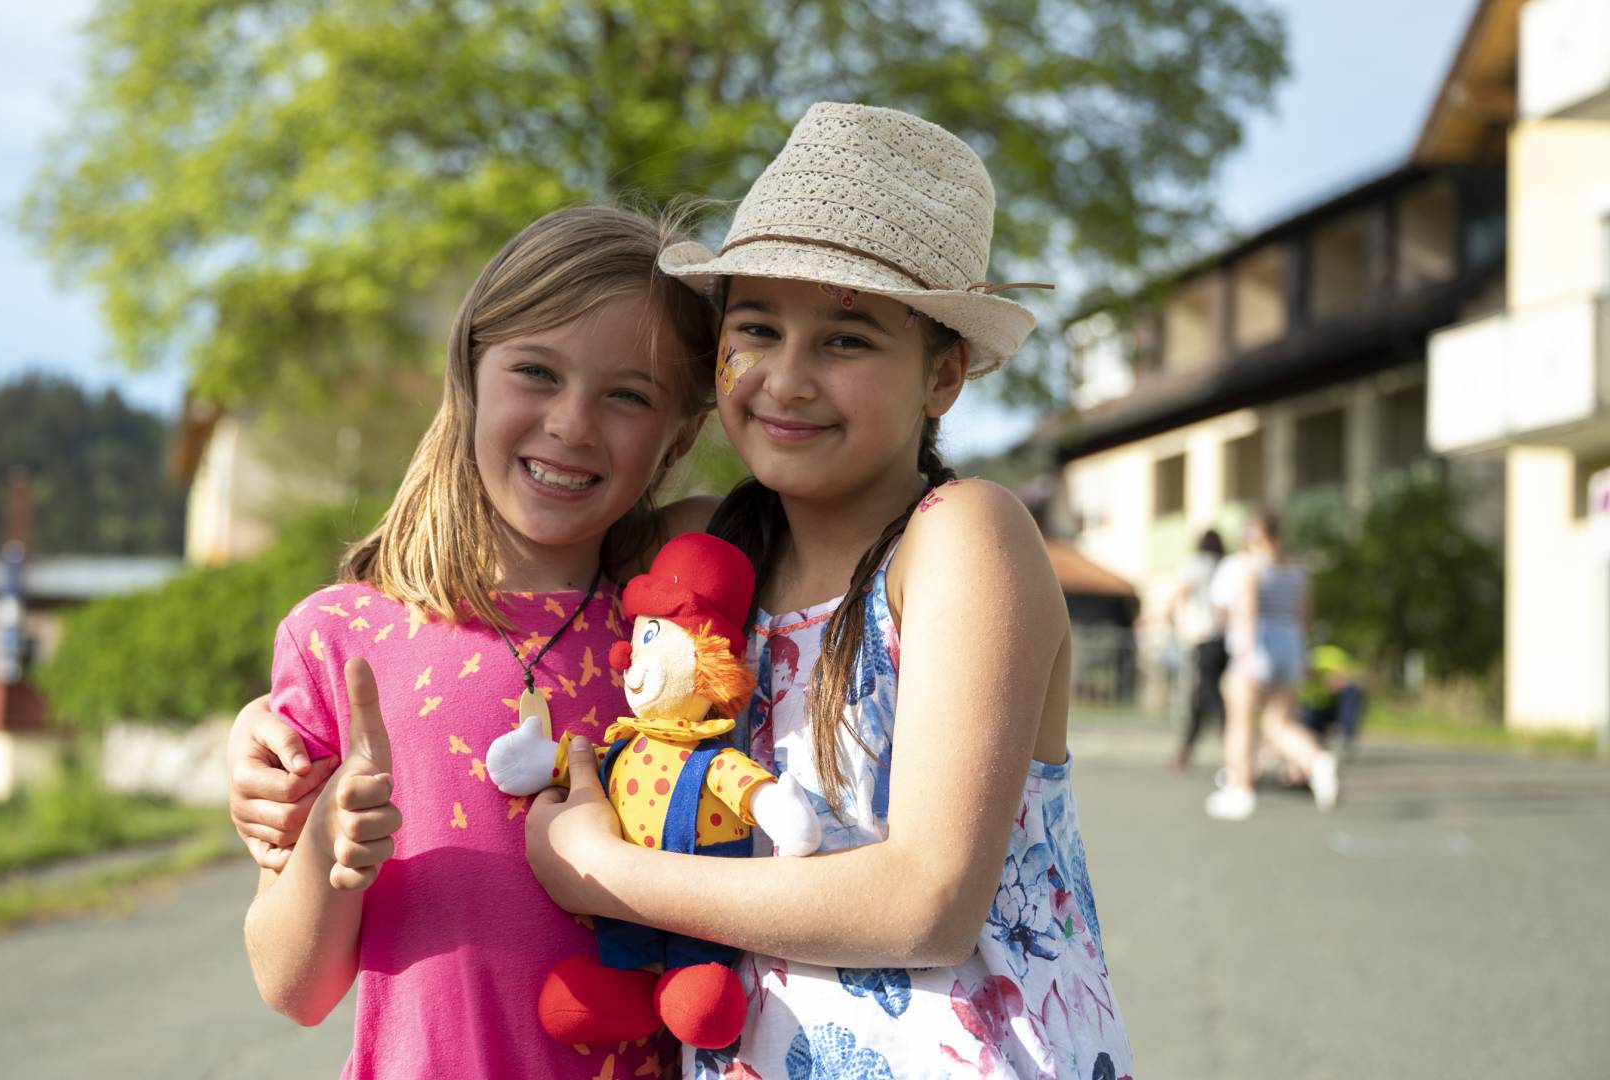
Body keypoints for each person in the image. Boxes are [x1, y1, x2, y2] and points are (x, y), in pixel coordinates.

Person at [237, 104, 1134, 1077]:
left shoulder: (962, 536)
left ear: (945, 373)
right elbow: (495, 604)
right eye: (757, 328)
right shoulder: (701, 559)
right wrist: (273, 738)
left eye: (848, 340)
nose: (788, 379)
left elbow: (928, 901)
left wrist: (605, 871)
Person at [239, 205, 721, 1080]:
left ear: (680, 436)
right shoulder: (339, 639)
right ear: (467, 375)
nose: (573, 424)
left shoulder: (682, 643)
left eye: (628, 395)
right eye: (537, 371)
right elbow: (293, 988)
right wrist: (328, 848)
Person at [1205, 510, 1340, 820]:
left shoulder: (1253, 568)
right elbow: (1304, 617)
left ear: (1258, 533)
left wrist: (1244, 651)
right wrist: (1302, 656)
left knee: (1240, 718)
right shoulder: (1297, 571)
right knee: (1277, 722)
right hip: (1291, 647)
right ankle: (1317, 760)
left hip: (1261, 646)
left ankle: (1239, 788)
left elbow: (1248, 611)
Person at [1166, 528, 1229, 770]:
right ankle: (1186, 750)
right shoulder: (1224, 565)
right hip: (1225, 638)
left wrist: (1168, 615)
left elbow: (1182, 591)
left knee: (1208, 693)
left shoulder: (1195, 565)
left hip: (1203, 636)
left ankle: (1230, 739)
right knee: (1202, 695)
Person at [1300, 643, 1365, 757]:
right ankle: (1313, 739)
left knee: (1352, 691)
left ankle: (1346, 736)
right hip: (1314, 710)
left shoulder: (1329, 657)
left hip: (1336, 705)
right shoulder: (1297, 679)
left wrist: (1340, 681)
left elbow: (1355, 678)